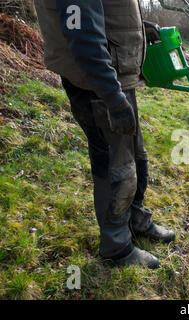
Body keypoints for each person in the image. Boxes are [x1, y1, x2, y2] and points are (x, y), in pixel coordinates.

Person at [33, 0, 175, 269]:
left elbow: (106, 12)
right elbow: (81, 32)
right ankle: (116, 246)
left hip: (114, 76)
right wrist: (112, 97)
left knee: (135, 155)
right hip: (97, 83)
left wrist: (142, 30)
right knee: (116, 167)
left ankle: (136, 219)